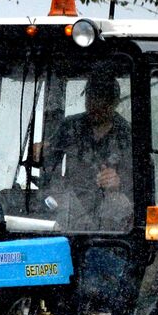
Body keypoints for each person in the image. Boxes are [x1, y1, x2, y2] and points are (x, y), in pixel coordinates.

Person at [36, 71, 133, 231]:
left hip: (110, 216)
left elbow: (138, 183)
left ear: (114, 102)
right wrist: (40, 152)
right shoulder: (71, 126)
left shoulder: (126, 134)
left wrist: (118, 182)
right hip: (71, 207)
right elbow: (48, 162)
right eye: (91, 97)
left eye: (102, 99)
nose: (94, 104)